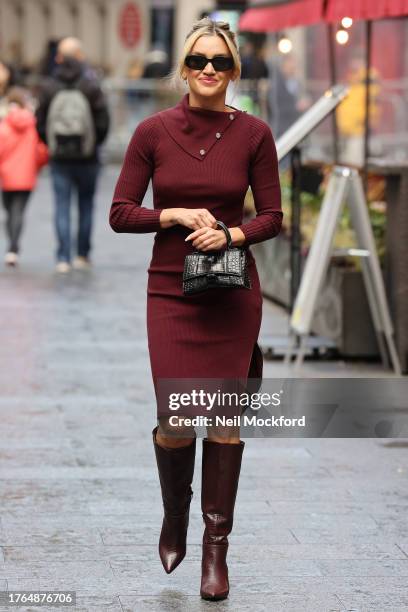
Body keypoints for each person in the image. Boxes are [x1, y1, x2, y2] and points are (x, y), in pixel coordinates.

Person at [110, 17, 282, 601]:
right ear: (184, 68)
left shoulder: (255, 133)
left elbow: (272, 218)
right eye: (200, 60)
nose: (211, 70)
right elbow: (120, 212)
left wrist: (231, 235)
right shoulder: (152, 132)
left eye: (222, 62)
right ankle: (173, 515)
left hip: (233, 292)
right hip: (170, 292)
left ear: (234, 72)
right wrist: (176, 216)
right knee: (179, 419)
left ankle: (216, 551)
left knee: (224, 421)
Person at [35, 37, 110, 273]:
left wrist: (51, 144)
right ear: (79, 56)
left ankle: (62, 258)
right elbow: (103, 120)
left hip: (59, 158)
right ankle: (82, 254)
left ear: (59, 57)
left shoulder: (49, 85)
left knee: (61, 206)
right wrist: (93, 143)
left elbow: (39, 122)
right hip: (88, 157)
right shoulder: (90, 85)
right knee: (86, 205)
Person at [0, 87, 48, 266]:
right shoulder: (31, 125)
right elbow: (40, 151)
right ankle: (14, 248)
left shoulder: (4, 124)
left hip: (7, 176)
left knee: (9, 211)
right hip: (27, 175)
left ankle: (11, 248)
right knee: (19, 211)